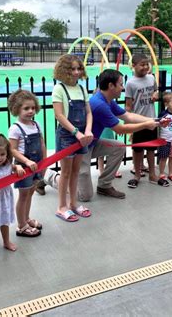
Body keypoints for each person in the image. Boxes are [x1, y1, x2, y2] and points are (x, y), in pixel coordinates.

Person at [78, 69, 163, 202]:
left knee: (119, 147)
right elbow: (120, 129)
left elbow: (127, 115)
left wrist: (152, 120)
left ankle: (104, 185)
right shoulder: (99, 104)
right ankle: (49, 177)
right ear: (111, 86)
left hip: (92, 143)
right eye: (121, 84)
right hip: (79, 149)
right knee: (84, 196)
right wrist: (146, 125)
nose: (123, 88)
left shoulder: (107, 100)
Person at [52, 54, 94, 222]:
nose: (76, 72)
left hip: (83, 135)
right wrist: (77, 132)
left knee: (76, 171)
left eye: (79, 69)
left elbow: (88, 112)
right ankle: (61, 206)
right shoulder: (59, 89)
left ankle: (73, 204)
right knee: (66, 172)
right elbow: (59, 115)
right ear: (64, 71)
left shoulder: (82, 89)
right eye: (72, 69)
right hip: (67, 136)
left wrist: (88, 131)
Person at [126, 53, 169, 188]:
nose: (145, 67)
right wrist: (127, 124)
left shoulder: (151, 78)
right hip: (138, 122)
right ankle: (137, 175)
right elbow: (128, 105)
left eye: (147, 64)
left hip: (151, 120)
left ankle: (152, 175)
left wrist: (156, 93)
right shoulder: (130, 83)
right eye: (142, 64)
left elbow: (156, 89)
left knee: (151, 149)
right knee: (137, 150)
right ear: (133, 66)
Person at [8, 89, 46, 234]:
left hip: (37, 164)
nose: (31, 111)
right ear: (17, 109)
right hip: (24, 166)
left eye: (32, 108)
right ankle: (21, 226)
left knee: (30, 192)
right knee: (23, 195)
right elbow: (12, 150)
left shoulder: (36, 125)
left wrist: (44, 161)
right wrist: (27, 161)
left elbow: (42, 144)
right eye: (26, 108)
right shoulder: (15, 129)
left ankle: (26, 217)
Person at [157, 92, 172, 182]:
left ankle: (171, 173)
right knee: (163, 158)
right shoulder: (163, 114)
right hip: (164, 140)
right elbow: (158, 126)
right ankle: (162, 173)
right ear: (166, 104)